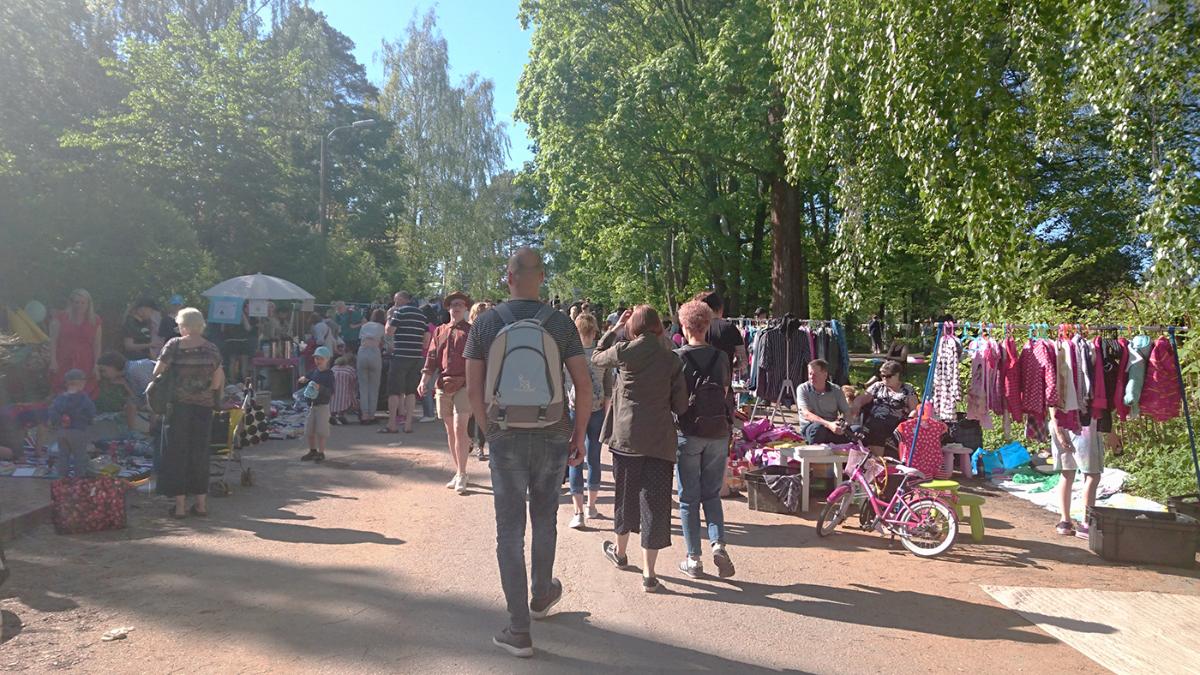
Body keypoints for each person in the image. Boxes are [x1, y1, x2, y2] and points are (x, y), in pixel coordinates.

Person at [464, 247, 592, 658]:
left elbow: (473, 388)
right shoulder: (560, 323)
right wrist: (579, 434)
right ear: (543, 278)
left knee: (509, 530)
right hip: (552, 432)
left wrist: (488, 431)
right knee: (544, 518)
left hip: (505, 433)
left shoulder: (485, 323)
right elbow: (583, 385)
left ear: (509, 277)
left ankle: (519, 629)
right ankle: (541, 594)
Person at [594, 305, 689, 594]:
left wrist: (614, 329)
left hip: (627, 438)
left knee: (625, 496)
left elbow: (597, 357)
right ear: (659, 326)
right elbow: (680, 405)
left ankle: (621, 553)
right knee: (655, 504)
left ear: (632, 327)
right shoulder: (671, 359)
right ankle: (649, 573)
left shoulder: (624, 351)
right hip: (659, 440)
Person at [673, 301, 735, 579]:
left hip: (688, 432)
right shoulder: (721, 357)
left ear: (684, 326)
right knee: (711, 494)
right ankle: (718, 544)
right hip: (718, 431)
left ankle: (693, 559)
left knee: (688, 498)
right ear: (708, 325)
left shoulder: (677, 358)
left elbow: (673, 398)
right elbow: (725, 392)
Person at [155, 308, 224, 518]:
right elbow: (217, 381)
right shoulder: (212, 349)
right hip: (203, 407)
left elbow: (157, 372)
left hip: (178, 407)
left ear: (183, 325)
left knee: (177, 453)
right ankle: (201, 504)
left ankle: (180, 507)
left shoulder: (174, 345)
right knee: (200, 453)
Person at [420, 291, 473, 494]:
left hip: (464, 385)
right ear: (448, 308)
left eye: (460, 304)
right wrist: (424, 380)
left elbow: (479, 360)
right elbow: (432, 357)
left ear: (465, 308)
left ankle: (462, 473)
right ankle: (459, 471)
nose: (456, 307)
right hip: (443, 385)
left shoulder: (471, 331)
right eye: (453, 304)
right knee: (450, 430)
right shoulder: (439, 331)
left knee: (460, 428)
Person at [566, 312, 613, 530]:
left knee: (574, 457)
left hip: (574, 410)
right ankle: (591, 506)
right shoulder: (601, 355)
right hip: (597, 410)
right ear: (594, 332)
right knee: (594, 457)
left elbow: (563, 383)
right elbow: (608, 388)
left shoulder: (569, 354)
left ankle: (578, 511)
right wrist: (607, 412)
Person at [1049, 407, 1103, 538]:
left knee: (1067, 473)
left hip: (1059, 422)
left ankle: (1065, 522)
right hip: (1084, 424)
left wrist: (1058, 431)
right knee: (1092, 475)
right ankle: (1086, 524)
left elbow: (1051, 401)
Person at [382, 291, 429, 434]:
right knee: (411, 391)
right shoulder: (422, 315)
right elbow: (427, 338)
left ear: (403, 299)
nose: (395, 303)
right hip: (416, 357)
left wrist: (389, 317)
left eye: (396, 300)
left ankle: (392, 424)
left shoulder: (399, 312)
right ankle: (408, 424)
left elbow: (389, 331)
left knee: (394, 391)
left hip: (400, 356)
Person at [850, 360, 918, 457]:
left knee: (877, 426)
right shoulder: (878, 386)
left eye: (888, 376)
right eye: (882, 375)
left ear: (897, 375)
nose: (885, 378)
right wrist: (856, 405)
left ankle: (877, 459)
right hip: (874, 419)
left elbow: (914, 409)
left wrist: (911, 418)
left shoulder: (907, 389)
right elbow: (862, 398)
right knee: (856, 429)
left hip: (896, 422)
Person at [49, 289, 102, 397]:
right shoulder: (60, 317)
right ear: (71, 303)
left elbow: (97, 345)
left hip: (86, 361)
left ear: (88, 304)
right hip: (63, 359)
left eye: (83, 302)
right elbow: (53, 341)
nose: (79, 305)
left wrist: (96, 365)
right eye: (76, 302)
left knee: (85, 390)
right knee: (62, 389)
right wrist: (53, 360)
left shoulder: (95, 320)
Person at [49, 369, 96, 477]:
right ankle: (79, 479)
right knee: (79, 456)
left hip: (62, 431)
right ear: (81, 383)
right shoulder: (83, 398)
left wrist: (57, 423)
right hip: (78, 431)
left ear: (66, 384)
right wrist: (90, 422)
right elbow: (91, 413)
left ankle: (62, 478)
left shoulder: (60, 398)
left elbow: (52, 413)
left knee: (63, 456)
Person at [692, 291, 747, 378]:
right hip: (722, 381)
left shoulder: (693, 328)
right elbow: (743, 361)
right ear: (720, 308)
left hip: (696, 381)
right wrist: (731, 367)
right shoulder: (729, 327)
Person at [97, 351, 157, 430]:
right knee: (129, 405)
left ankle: (153, 430)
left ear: (112, 366)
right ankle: (132, 431)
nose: (102, 374)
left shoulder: (135, 369)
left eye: (103, 370)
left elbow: (153, 393)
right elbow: (137, 399)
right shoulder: (126, 375)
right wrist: (125, 384)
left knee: (131, 404)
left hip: (163, 395)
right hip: (153, 399)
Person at [797, 359, 851, 444]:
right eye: (810, 374)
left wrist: (844, 424)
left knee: (857, 430)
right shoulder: (803, 389)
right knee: (819, 428)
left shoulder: (836, 389)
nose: (811, 377)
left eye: (815, 374)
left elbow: (847, 412)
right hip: (812, 427)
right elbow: (807, 414)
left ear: (825, 375)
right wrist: (828, 424)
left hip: (833, 428)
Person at [300, 346, 335, 462]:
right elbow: (307, 377)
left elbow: (331, 391)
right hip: (311, 405)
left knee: (321, 431)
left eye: (321, 358)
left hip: (322, 406)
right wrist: (304, 379)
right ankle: (312, 450)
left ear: (327, 360)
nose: (318, 361)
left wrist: (320, 387)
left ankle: (321, 452)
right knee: (309, 430)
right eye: (316, 358)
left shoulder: (329, 374)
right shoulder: (314, 372)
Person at [466, 302, 491, 460]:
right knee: (471, 413)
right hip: (473, 375)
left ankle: (479, 445)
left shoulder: (489, 329)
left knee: (479, 412)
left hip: (485, 375)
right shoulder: (469, 330)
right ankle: (471, 442)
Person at [356, 309, 387, 424]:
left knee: (363, 386)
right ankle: (371, 415)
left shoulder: (365, 326)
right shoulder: (382, 327)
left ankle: (364, 414)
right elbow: (384, 343)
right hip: (374, 353)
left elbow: (360, 339)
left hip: (362, 352)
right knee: (374, 386)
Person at [330, 354, 359, 426]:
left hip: (332, 394)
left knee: (334, 402)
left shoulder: (333, 369)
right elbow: (353, 383)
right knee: (350, 399)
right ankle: (341, 414)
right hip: (345, 394)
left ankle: (332, 415)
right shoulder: (350, 369)